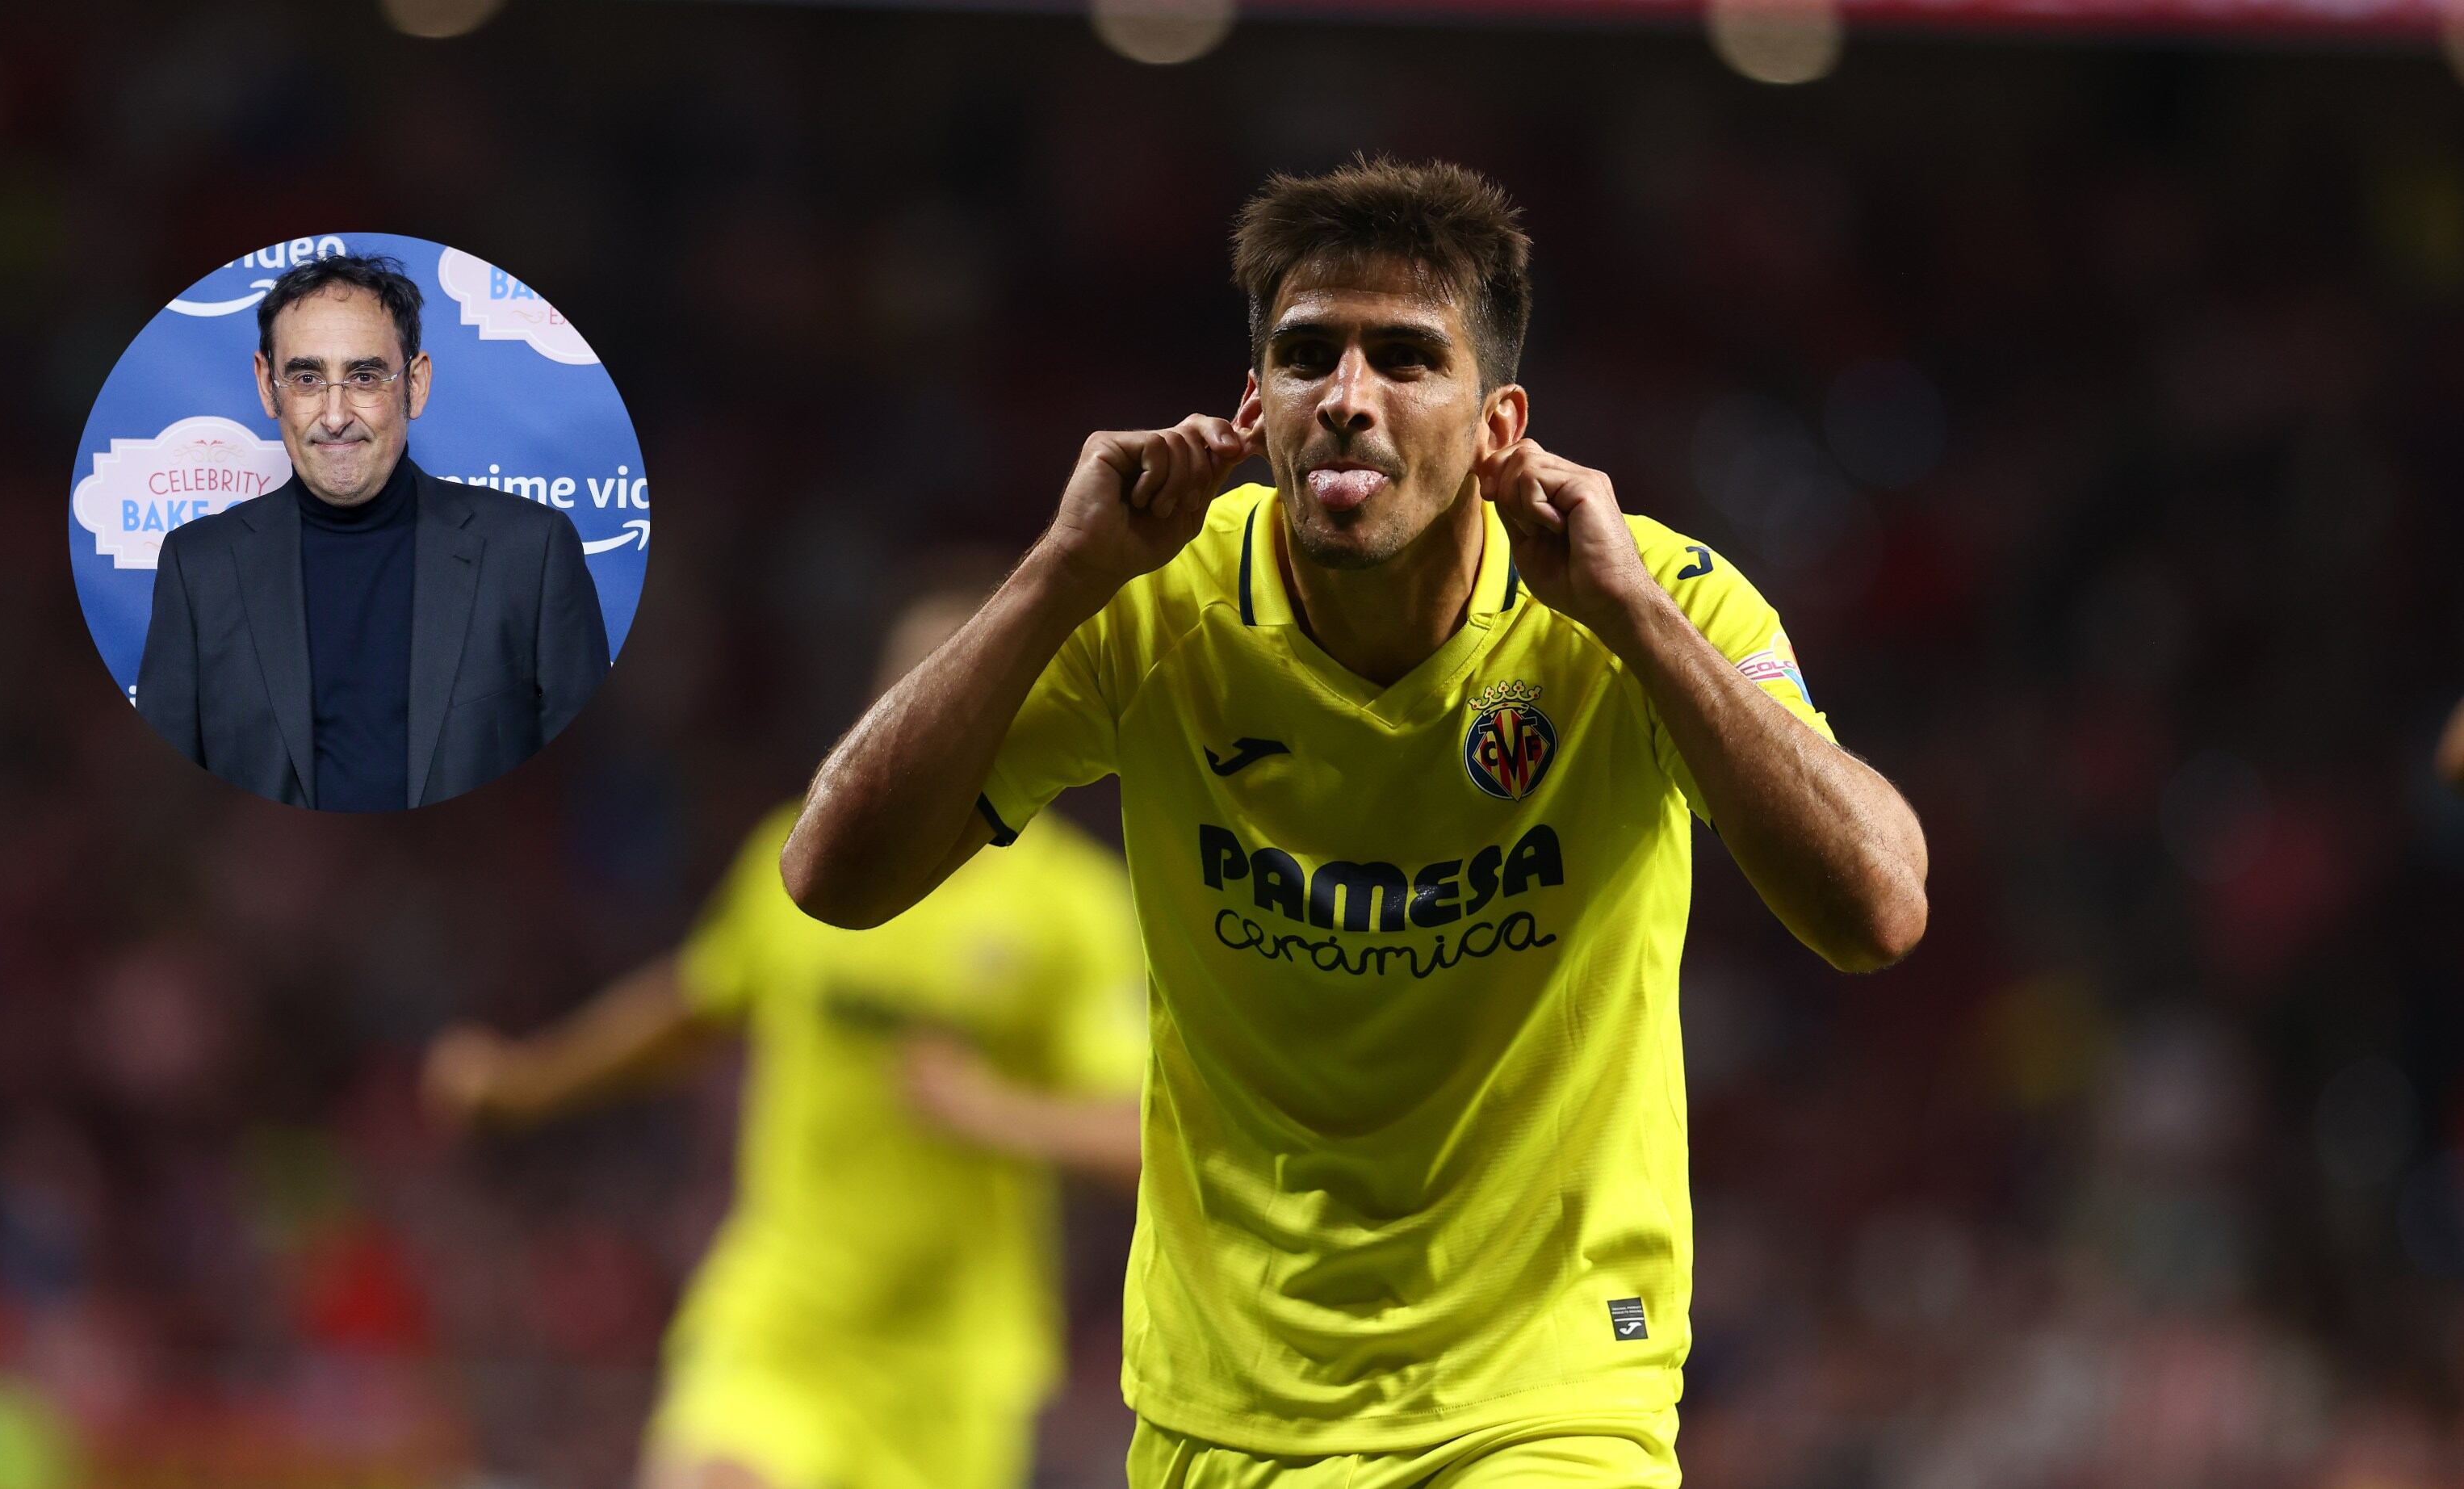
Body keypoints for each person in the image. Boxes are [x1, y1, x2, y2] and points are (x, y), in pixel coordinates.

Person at [780, 157, 1930, 1488]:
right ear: (1252, 403)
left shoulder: (1645, 597)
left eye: (1403, 358)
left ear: (1499, 423)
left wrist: (1631, 620)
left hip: (1544, 1400)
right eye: (1305, 354)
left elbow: (1877, 905)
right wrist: (1058, 570)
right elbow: (831, 873)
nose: (1346, 398)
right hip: (1225, 1409)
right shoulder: (1153, 608)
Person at [424, 578, 1148, 1489]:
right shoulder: (811, 858)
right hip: (780, 1324)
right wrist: (527, 1084)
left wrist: (994, 1109)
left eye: (977, 684)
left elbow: (1144, 1136)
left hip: (949, 1370)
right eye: (920, 685)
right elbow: (695, 1007)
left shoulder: (1072, 910)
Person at [136, 253, 609, 811]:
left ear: (415, 383)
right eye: (307, 378)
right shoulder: (199, 569)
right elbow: (161, 798)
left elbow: (584, 787)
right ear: (268, 386)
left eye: (364, 377)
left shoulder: (532, 553)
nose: (335, 415)